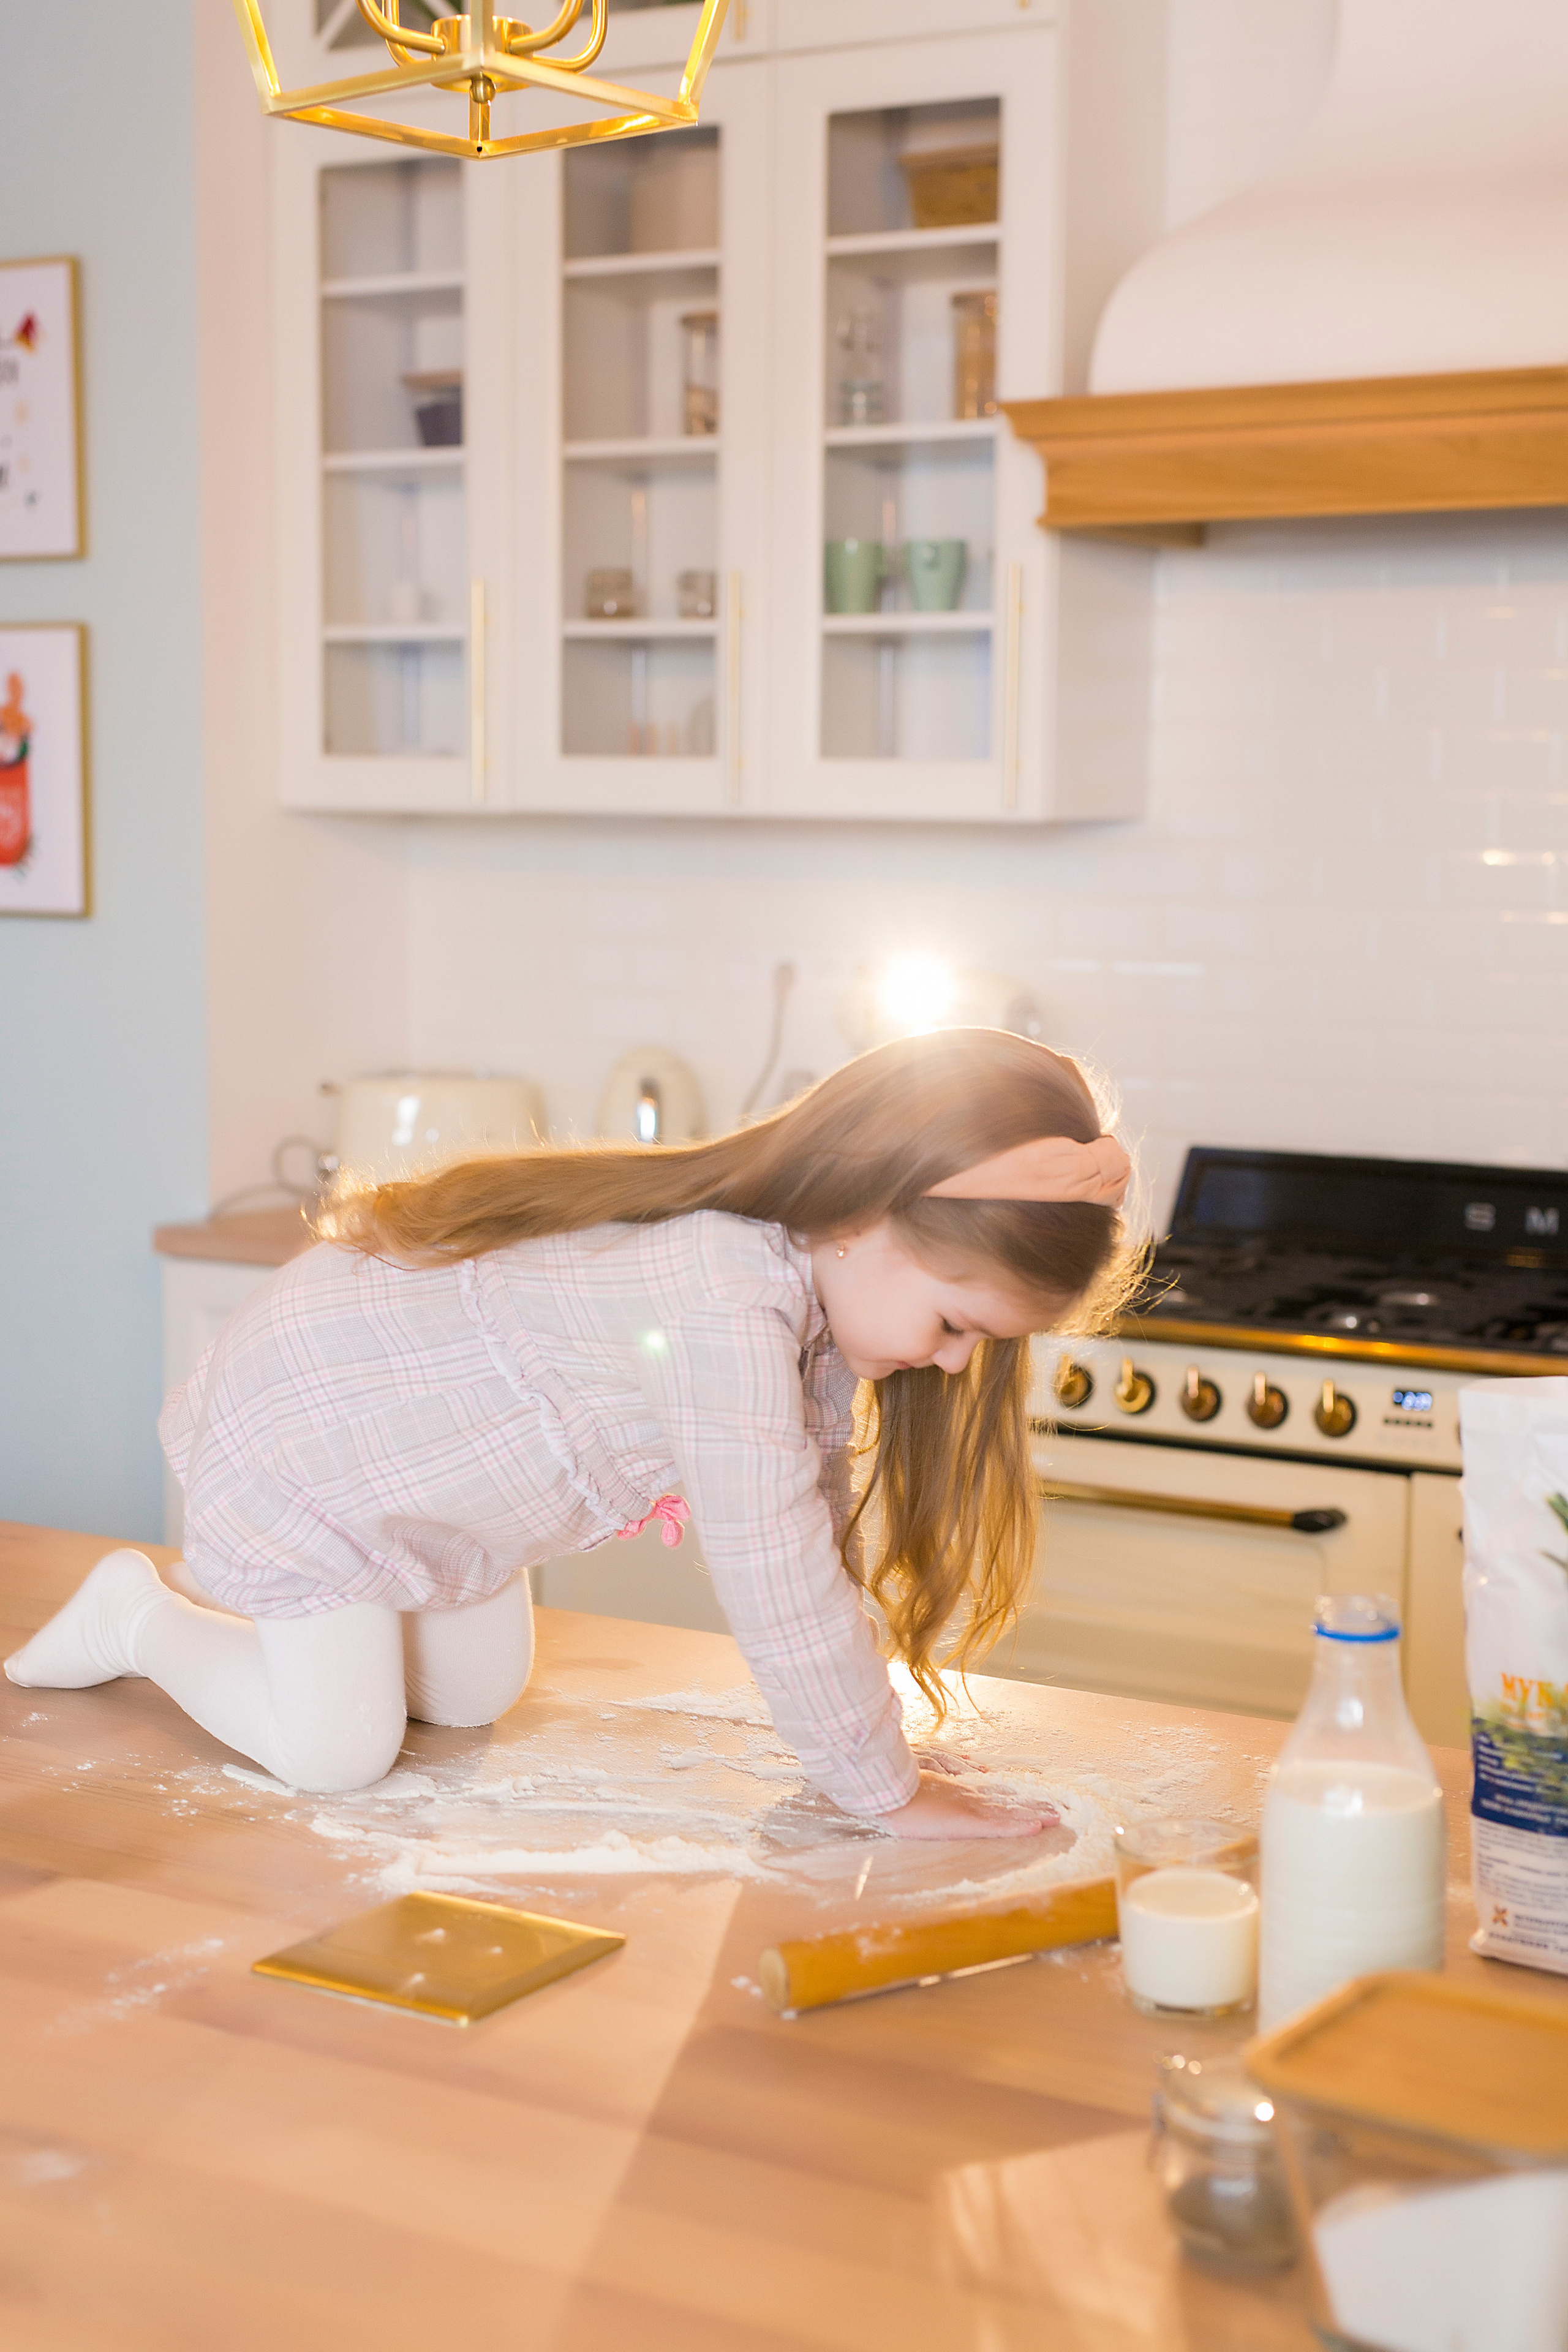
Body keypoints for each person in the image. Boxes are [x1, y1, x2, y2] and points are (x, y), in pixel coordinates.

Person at [8, 1030, 1137, 1838]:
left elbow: (813, 1531)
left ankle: (319, 1630)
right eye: (957, 1324)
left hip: (431, 1498)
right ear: (861, 1217)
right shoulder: (720, 1295)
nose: (955, 1364)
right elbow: (774, 1567)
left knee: (471, 1701)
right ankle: (138, 1617)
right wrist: (882, 1790)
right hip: (312, 1449)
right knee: (337, 1755)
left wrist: (870, 1742)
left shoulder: (808, 1307)